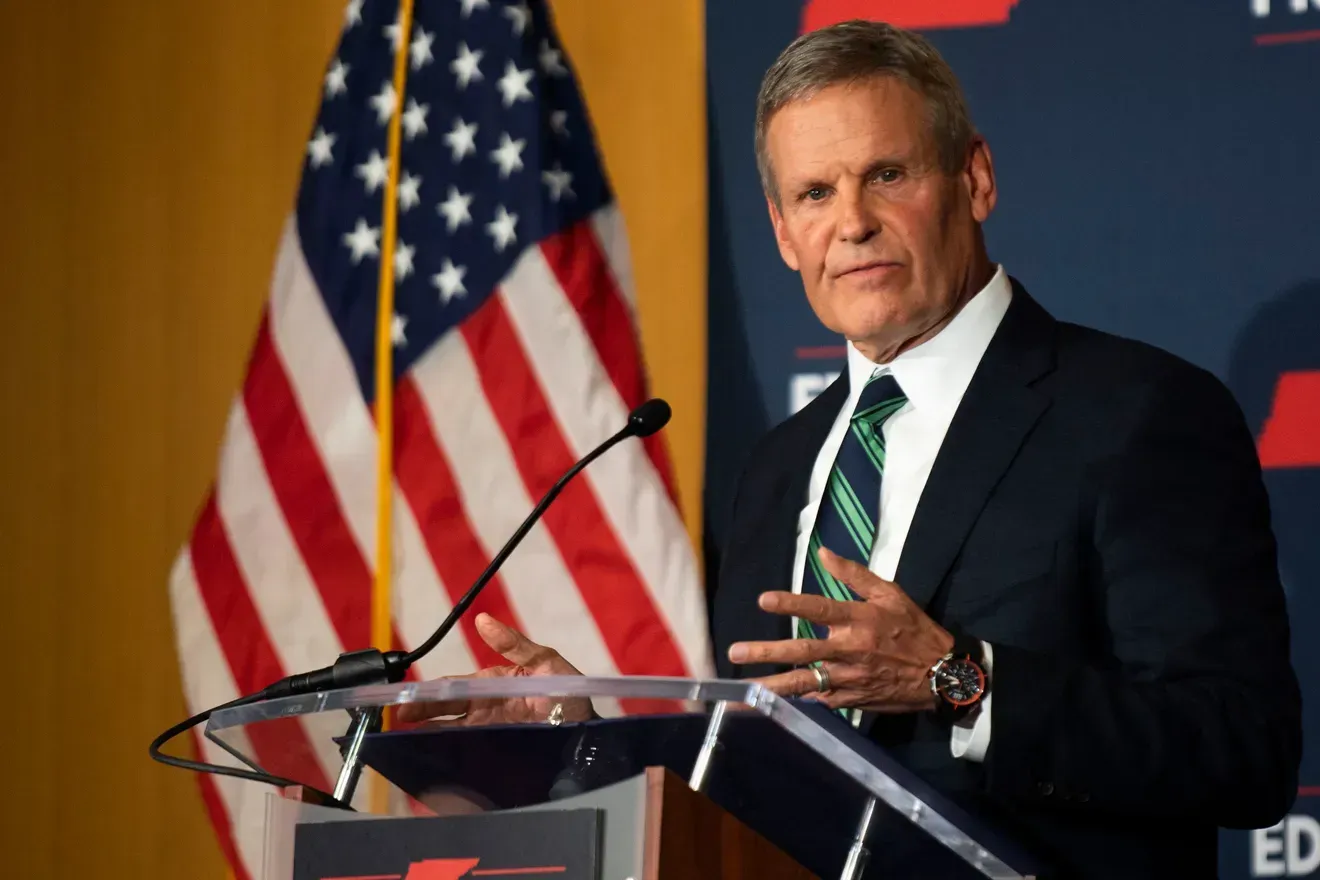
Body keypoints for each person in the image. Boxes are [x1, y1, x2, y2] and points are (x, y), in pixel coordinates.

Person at [398, 20, 1301, 878]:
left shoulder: (1135, 413)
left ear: (975, 179)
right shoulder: (779, 467)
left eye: (889, 174)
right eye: (815, 194)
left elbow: (1240, 749)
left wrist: (964, 682)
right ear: (784, 234)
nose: (853, 222)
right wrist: (581, 736)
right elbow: (770, 786)